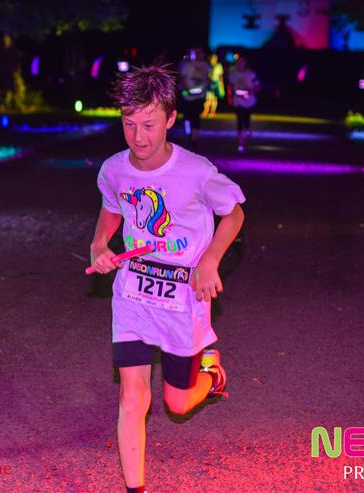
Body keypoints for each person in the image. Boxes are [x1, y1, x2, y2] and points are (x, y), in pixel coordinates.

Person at [90, 65, 245, 493]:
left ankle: (212, 376)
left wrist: (210, 260)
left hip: (183, 298)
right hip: (134, 296)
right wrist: (99, 245)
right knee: (132, 398)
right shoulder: (114, 169)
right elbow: (112, 209)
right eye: (129, 124)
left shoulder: (195, 171)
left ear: (171, 118)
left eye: (149, 125)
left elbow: (233, 214)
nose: (138, 137)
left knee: (176, 403)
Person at [177, 48, 210, 150]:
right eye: (197, 53)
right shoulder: (186, 65)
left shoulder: (205, 65)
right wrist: (187, 89)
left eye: (201, 52)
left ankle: (194, 140)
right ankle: (188, 133)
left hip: (200, 96)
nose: (199, 54)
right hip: (187, 96)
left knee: (196, 117)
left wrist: (207, 85)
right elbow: (182, 78)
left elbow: (207, 77)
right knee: (187, 116)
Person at [227, 55, 260, 153]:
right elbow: (230, 86)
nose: (240, 64)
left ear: (245, 63)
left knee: (246, 120)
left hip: (249, 101)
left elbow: (257, 86)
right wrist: (230, 97)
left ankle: (248, 129)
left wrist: (249, 92)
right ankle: (241, 145)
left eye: (242, 62)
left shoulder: (251, 74)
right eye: (238, 62)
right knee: (240, 121)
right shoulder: (232, 74)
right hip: (238, 101)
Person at [202, 53, 225, 118]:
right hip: (208, 84)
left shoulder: (219, 66)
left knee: (214, 99)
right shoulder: (207, 65)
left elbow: (220, 76)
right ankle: (206, 110)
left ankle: (212, 111)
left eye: (215, 58)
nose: (214, 59)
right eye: (213, 58)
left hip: (216, 84)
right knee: (208, 98)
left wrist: (221, 85)